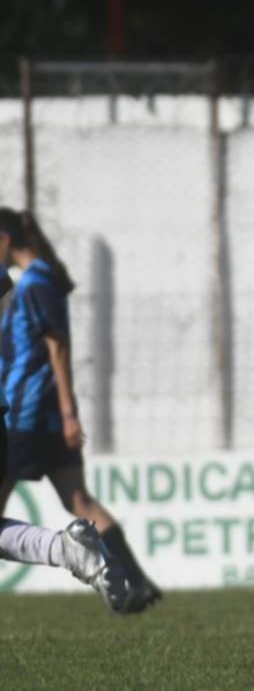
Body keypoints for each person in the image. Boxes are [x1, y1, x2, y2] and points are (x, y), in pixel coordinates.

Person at [0, 207, 156, 614]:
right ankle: (131, 581)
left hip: (26, 413)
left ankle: (97, 564)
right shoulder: (36, 281)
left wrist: (69, 412)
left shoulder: (35, 284)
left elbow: (58, 348)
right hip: (40, 412)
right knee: (79, 500)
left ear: (5, 240)